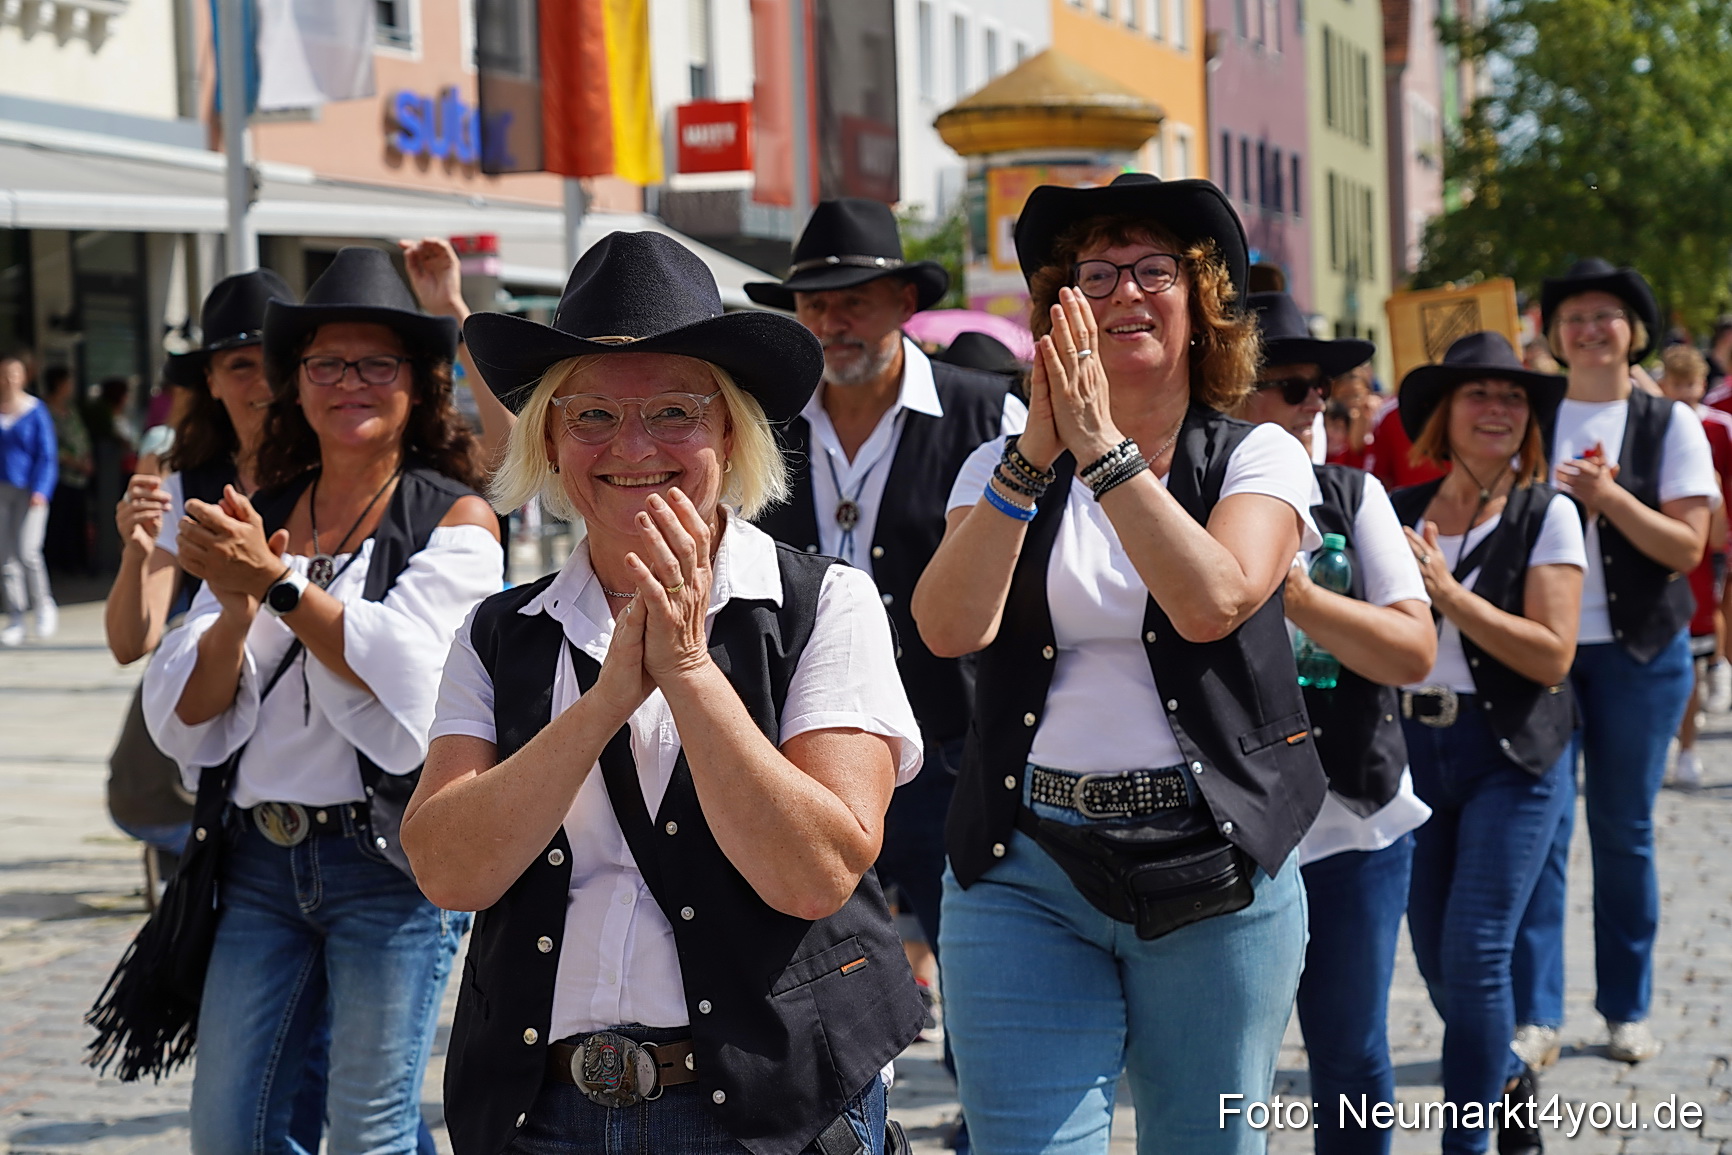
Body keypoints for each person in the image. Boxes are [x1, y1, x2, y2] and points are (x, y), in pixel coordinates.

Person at [409, 230, 925, 1155]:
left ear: (730, 434)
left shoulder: (823, 605)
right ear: (551, 442)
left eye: (676, 412)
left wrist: (687, 670)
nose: (632, 446)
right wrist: (603, 703)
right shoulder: (501, 631)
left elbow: (815, 874)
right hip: (545, 1108)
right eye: (592, 415)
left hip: (768, 1112)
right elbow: (448, 868)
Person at [912, 173, 1327, 1155]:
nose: (1123, 294)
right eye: (1095, 275)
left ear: (1204, 306)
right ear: (1060, 313)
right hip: (1025, 860)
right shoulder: (997, 467)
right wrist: (1031, 459)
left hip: (1214, 862)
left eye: (1153, 271)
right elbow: (944, 627)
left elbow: (1212, 599)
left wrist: (1102, 450)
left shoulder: (1256, 457)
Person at [141, 246, 502, 1153]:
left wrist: (277, 587)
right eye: (326, 364)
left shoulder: (455, 516)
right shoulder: (259, 505)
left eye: (377, 362)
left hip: (386, 866)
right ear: (295, 384)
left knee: (369, 1132)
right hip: (258, 862)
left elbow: (417, 681)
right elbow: (185, 707)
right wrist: (232, 611)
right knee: (229, 1128)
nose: (351, 382)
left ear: (418, 385)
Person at [745, 197, 1027, 1032]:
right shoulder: (764, 424)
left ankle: (987, 1122)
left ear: (904, 305)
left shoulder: (989, 413)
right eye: (814, 303)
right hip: (801, 747)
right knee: (806, 982)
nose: (832, 322)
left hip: (953, 745)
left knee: (976, 974)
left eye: (853, 301)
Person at [1239, 292, 1435, 1155]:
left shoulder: (1354, 496)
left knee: (1348, 1051)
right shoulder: (1169, 502)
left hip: (1350, 817)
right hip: (1219, 822)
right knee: (1218, 1063)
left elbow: (1411, 650)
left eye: (1322, 385)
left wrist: (1304, 598)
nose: (1316, 400)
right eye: (1289, 384)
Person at [1511, 258, 1716, 1068]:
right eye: (1574, 317)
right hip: (1540, 650)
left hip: (1641, 651)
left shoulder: (1670, 423)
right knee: (1541, 830)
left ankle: (1626, 1006)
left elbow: (1689, 544)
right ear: (1554, 335)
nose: (1590, 329)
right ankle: (1537, 1013)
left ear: (1635, 329)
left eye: (1607, 315)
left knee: (1623, 831)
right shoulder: (1530, 409)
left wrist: (1610, 498)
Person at [1389, 331, 1584, 1155]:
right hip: (1415, 755)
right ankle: (1509, 1077)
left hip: (1514, 756)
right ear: (1444, 413)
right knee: (1437, 963)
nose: (1499, 409)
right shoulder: (1396, 510)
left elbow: (1552, 653)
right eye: (1480, 394)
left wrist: (1447, 596)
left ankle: (1465, 1143)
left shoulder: (1550, 512)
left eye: (1514, 398)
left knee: (1474, 953)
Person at [106, 269, 294, 666]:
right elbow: (130, 645)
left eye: (275, 361)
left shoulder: (339, 473)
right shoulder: (185, 489)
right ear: (211, 382)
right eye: (241, 365)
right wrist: (136, 554)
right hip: (215, 710)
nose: (263, 382)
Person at [1652, 343, 1730, 788]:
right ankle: (1661, 743)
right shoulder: (1648, 426)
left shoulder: (1720, 427)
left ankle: (1687, 746)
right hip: (1652, 553)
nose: (1683, 393)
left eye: (1690, 384)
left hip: (1700, 551)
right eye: (1674, 384)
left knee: (1692, 659)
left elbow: (1716, 518)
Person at [0, 349, 58, 645]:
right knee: (5, 557)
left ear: (23, 376)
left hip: (29, 491)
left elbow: (47, 455)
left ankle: (43, 604)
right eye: (4, 374)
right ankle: (16, 616)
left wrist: (41, 490)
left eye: (14, 374)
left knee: (28, 551)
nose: (9, 380)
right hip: (2, 491)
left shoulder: (36, 411)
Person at [43, 365, 93, 574]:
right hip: (60, 475)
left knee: (76, 520)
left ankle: (76, 561)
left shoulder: (70, 409)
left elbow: (81, 436)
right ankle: (58, 563)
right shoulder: (45, 411)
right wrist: (73, 461)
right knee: (59, 521)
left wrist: (87, 459)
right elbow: (51, 444)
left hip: (79, 476)